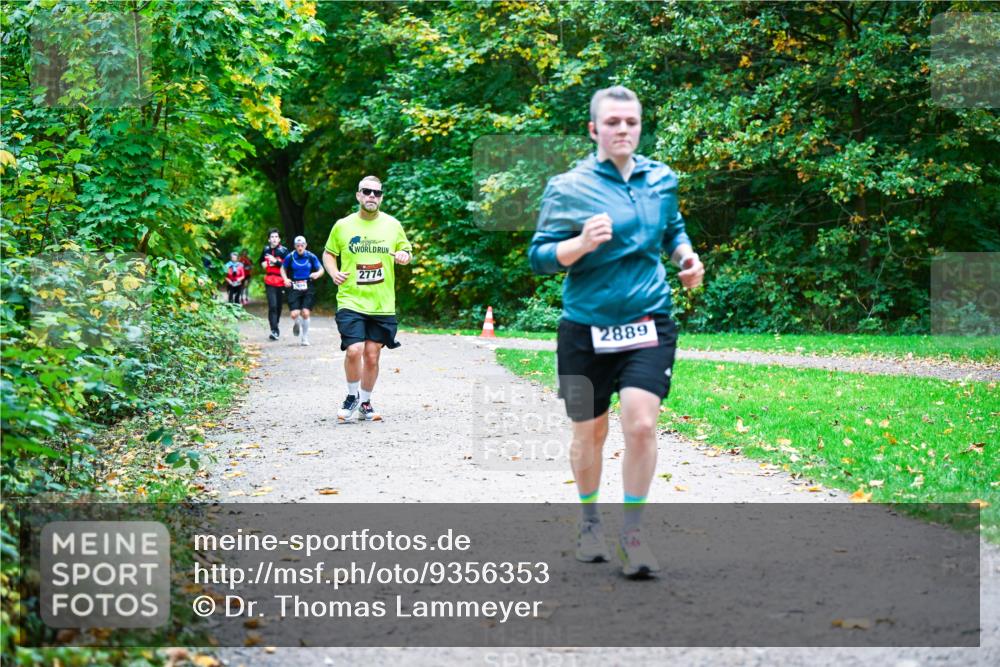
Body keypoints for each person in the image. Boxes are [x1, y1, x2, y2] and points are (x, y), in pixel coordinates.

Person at [528, 86, 705, 578]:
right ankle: (589, 521)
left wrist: (686, 258)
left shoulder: (661, 179)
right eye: (612, 122)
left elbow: (673, 231)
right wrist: (579, 244)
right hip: (585, 329)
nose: (623, 129)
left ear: (640, 125)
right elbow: (539, 257)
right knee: (590, 434)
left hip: (649, 318)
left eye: (631, 121)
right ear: (594, 129)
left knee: (641, 422)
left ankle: (632, 534)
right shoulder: (568, 188)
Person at [323, 175, 412, 422]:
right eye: (367, 191)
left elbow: (406, 250)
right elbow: (329, 254)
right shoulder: (343, 225)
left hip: (382, 303)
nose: (372, 196)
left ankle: (365, 402)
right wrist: (333, 272)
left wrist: (404, 256)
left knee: (372, 355)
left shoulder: (393, 225)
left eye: (377, 193)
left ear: (381, 197)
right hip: (351, 299)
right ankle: (351, 397)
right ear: (358, 195)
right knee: (354, 350)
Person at [280, 235, 324, 346]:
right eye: (298, 245)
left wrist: (317, 274)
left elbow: (321, 269)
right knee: (295, 314)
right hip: (294, 285)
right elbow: (282, 268)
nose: (300, 247)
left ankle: (304, 338)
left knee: (305, 312)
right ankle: (297, 322)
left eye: (302, 245)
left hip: (308, 285)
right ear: (295, 246)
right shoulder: (290, 256)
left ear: (305, 245)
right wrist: (285, 279)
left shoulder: (311, 256)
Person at [258, 229, 290, 340]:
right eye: (272, 237)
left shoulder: (284, 250)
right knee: (272, 306)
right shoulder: (266, 249)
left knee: (279, 307)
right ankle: (274, 330)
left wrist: (276, 261)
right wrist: (263, 264)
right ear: (269, 239)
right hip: (269, 281)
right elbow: (260, 261)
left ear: (279, 239)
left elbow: (288, 265)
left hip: (281, 281)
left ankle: (275, 325)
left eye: (276, 236)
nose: (274, 239)